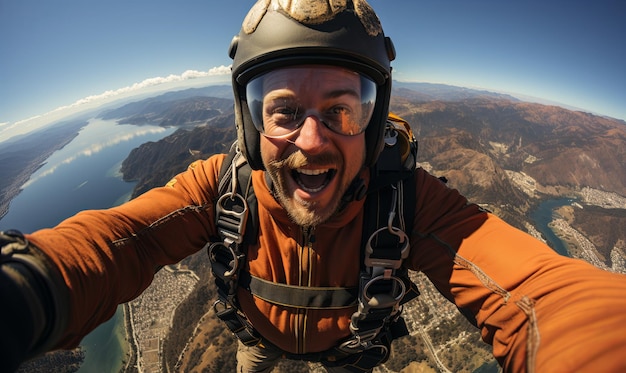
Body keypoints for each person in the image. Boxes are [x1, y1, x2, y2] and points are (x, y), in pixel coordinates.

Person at [2, 1, 626, 372]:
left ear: (374, 123)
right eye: (282, 112)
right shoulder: (221, 187)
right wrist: (25, 288)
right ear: (251, 124)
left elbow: (535, 290)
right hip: (258, 346)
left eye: (341, 110)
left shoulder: (407, 200)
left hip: (347, 352)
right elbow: (122, 242)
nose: (312, 141)